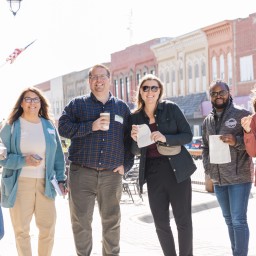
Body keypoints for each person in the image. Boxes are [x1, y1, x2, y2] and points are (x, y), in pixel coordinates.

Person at [58, 63, 134, 256]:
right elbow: (63, 129)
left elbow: (129, 140)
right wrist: (89, 126)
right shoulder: (77, 105)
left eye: (102, 76)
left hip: (112, 175)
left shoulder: (122, 108)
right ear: (89, 81)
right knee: (81, 222)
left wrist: (126, 165)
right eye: (93, 77)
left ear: (110, 79)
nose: (98, 81)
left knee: (112, 222)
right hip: (81, 173)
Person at [130, 74, 196, 256]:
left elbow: (187, 135)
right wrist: (134, 139)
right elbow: (135, 151)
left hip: (177, 170)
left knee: (183, 220)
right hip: (152, 172)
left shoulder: (171, 109)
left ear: (160, 91)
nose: (150, 92)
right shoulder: (135, 118)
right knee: (160, 222)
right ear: (140, 92)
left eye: (154, 88)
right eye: (146, 88)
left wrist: (165, 138)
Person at [0, 87, 67, 256]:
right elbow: (2, 157)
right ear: (21, 103)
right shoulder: (11, 126)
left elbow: (58, 155)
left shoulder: (48, 125)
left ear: (41, 103)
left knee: (48, 228)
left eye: (36, 99)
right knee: (21, 230)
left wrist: (61, 179)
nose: (32, 103)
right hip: (20, 184)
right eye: (28, 99)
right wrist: (24, 160)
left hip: (46, 184)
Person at [202, 79, 253, 256]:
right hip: (218, 180)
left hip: (239, 178)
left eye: (221, 92)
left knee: (239, 221)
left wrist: (235, 141)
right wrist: (208, 169)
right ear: (210, 97)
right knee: (229, 220)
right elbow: (205, 147)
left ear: (229, 92)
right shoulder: (207, 120)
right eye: (214, 93)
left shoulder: (242, 115)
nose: (218, 96)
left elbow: (252, 145)